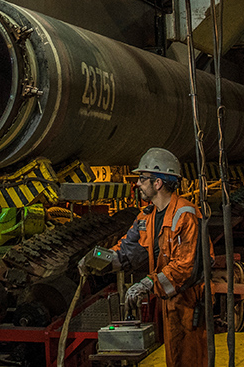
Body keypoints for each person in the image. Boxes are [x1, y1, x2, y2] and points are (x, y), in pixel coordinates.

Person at [78, 148, 213, 367]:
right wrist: (95, 260)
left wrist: (148, 283)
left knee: (190, 359)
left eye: (142, 178)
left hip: (188, 302)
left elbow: (186, 265)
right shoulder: (147, 217)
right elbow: (126, 252)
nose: (138, 184)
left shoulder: (186, 214)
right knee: (174, 359)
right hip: (167, 301)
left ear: (158, 183)